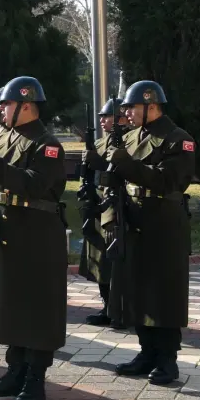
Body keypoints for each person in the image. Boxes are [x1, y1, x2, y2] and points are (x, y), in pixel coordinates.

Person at [0, 76, 67, 400]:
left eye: (7, 104)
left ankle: (35, 378)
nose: (1, 110)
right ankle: (15, 370)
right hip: (7, 231)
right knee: (12, 305)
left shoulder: (47, 144)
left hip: (37, 235)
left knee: (37, 308)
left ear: (26, 106)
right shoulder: (2, 136)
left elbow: (35, 185)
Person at [87, 80, 195, 386]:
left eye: (132, 108)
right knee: (137, 289)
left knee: (163, 292)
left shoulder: (178, 139)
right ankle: (147, 352)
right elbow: (113, 178)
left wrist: (125, 163)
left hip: (163, 223)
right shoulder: (131, 137)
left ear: (152, 105)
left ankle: (167, 359)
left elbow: (169, 181)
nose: (127, 114)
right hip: (132, 220)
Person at [79, 99, 126, 327]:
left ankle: (121, 311)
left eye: (107, 116)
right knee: (100, 262)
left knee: (116, 263)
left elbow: (119, 170)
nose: (102, 121)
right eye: (101, 117)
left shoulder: (126, 141)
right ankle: (107, 307)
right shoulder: (98, 143)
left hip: (116, 207)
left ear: (120, 119)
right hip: (98, 206)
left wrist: (97, 161)